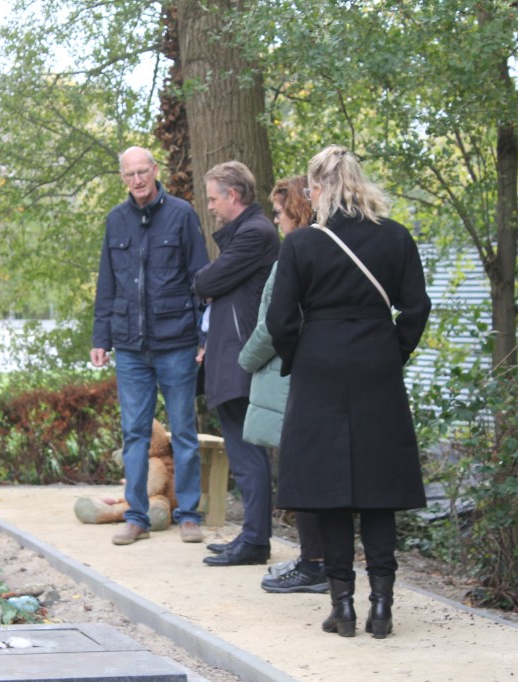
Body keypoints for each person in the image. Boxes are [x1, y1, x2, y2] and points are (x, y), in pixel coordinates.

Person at [266, 145, 431, 638]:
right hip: (376, 369)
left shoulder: (300, 246)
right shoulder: (396, 238)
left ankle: (343, 609)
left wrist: (299, 356)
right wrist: (392, 352)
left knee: (329, 491)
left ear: (318, 189)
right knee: (379, 490)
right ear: (359, 183)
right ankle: (383, 607)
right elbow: (417, 308)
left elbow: (279, 320)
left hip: (319, 370)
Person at [91, 146, 209, 546]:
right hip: (129, 347)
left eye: (143, 172)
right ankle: (136, 516)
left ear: (155, 171)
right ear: (122, 178)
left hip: (176, 342)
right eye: (130, 174)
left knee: (185, 432)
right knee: (134, 435)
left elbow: (200, 279)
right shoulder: (116, 221)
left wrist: (203, 336)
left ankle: (189, 514)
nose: (138, 180)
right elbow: (107, 283)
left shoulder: (181, 214)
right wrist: (100, 338)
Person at [236, 175, 328, 593]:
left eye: (279, 213)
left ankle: (314, 564)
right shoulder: (324, 252)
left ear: (298, 211)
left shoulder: (296, 255)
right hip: (305, 375)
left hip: (287, 377)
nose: (275, 221)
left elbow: (275, 323)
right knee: (307, 472)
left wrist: (244, 360)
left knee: (299, 474)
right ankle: (317, 559)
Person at [193, 161, 280, 567]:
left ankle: (256, 541)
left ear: (232, 195)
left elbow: (206, 283)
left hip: (240, 358)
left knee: (247, 455)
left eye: (212, 198)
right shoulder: (247, 234)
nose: (209, 206)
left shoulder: (255, 234)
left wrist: (206, 284)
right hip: (230, 354)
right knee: (243, 453)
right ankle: (250, 536)